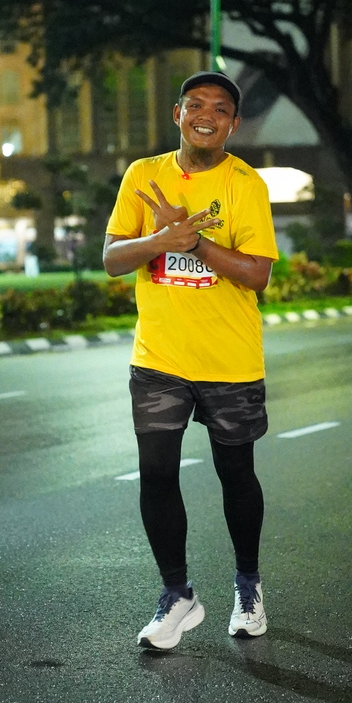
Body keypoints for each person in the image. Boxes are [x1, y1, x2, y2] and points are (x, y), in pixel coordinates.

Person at [103, 70, 278, 650]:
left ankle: (248, 587)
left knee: (236, 474)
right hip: (159, 358)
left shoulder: (245, 183)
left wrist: (195, 241)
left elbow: (257, 273)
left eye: (221, 108)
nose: (207, 114)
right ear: (177, 114)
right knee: (156, 474)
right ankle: (177, 596)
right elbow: (112, 259)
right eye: (195, 104)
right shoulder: (143, 175)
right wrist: (160, 240)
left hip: (229, 360)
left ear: (233, 124)